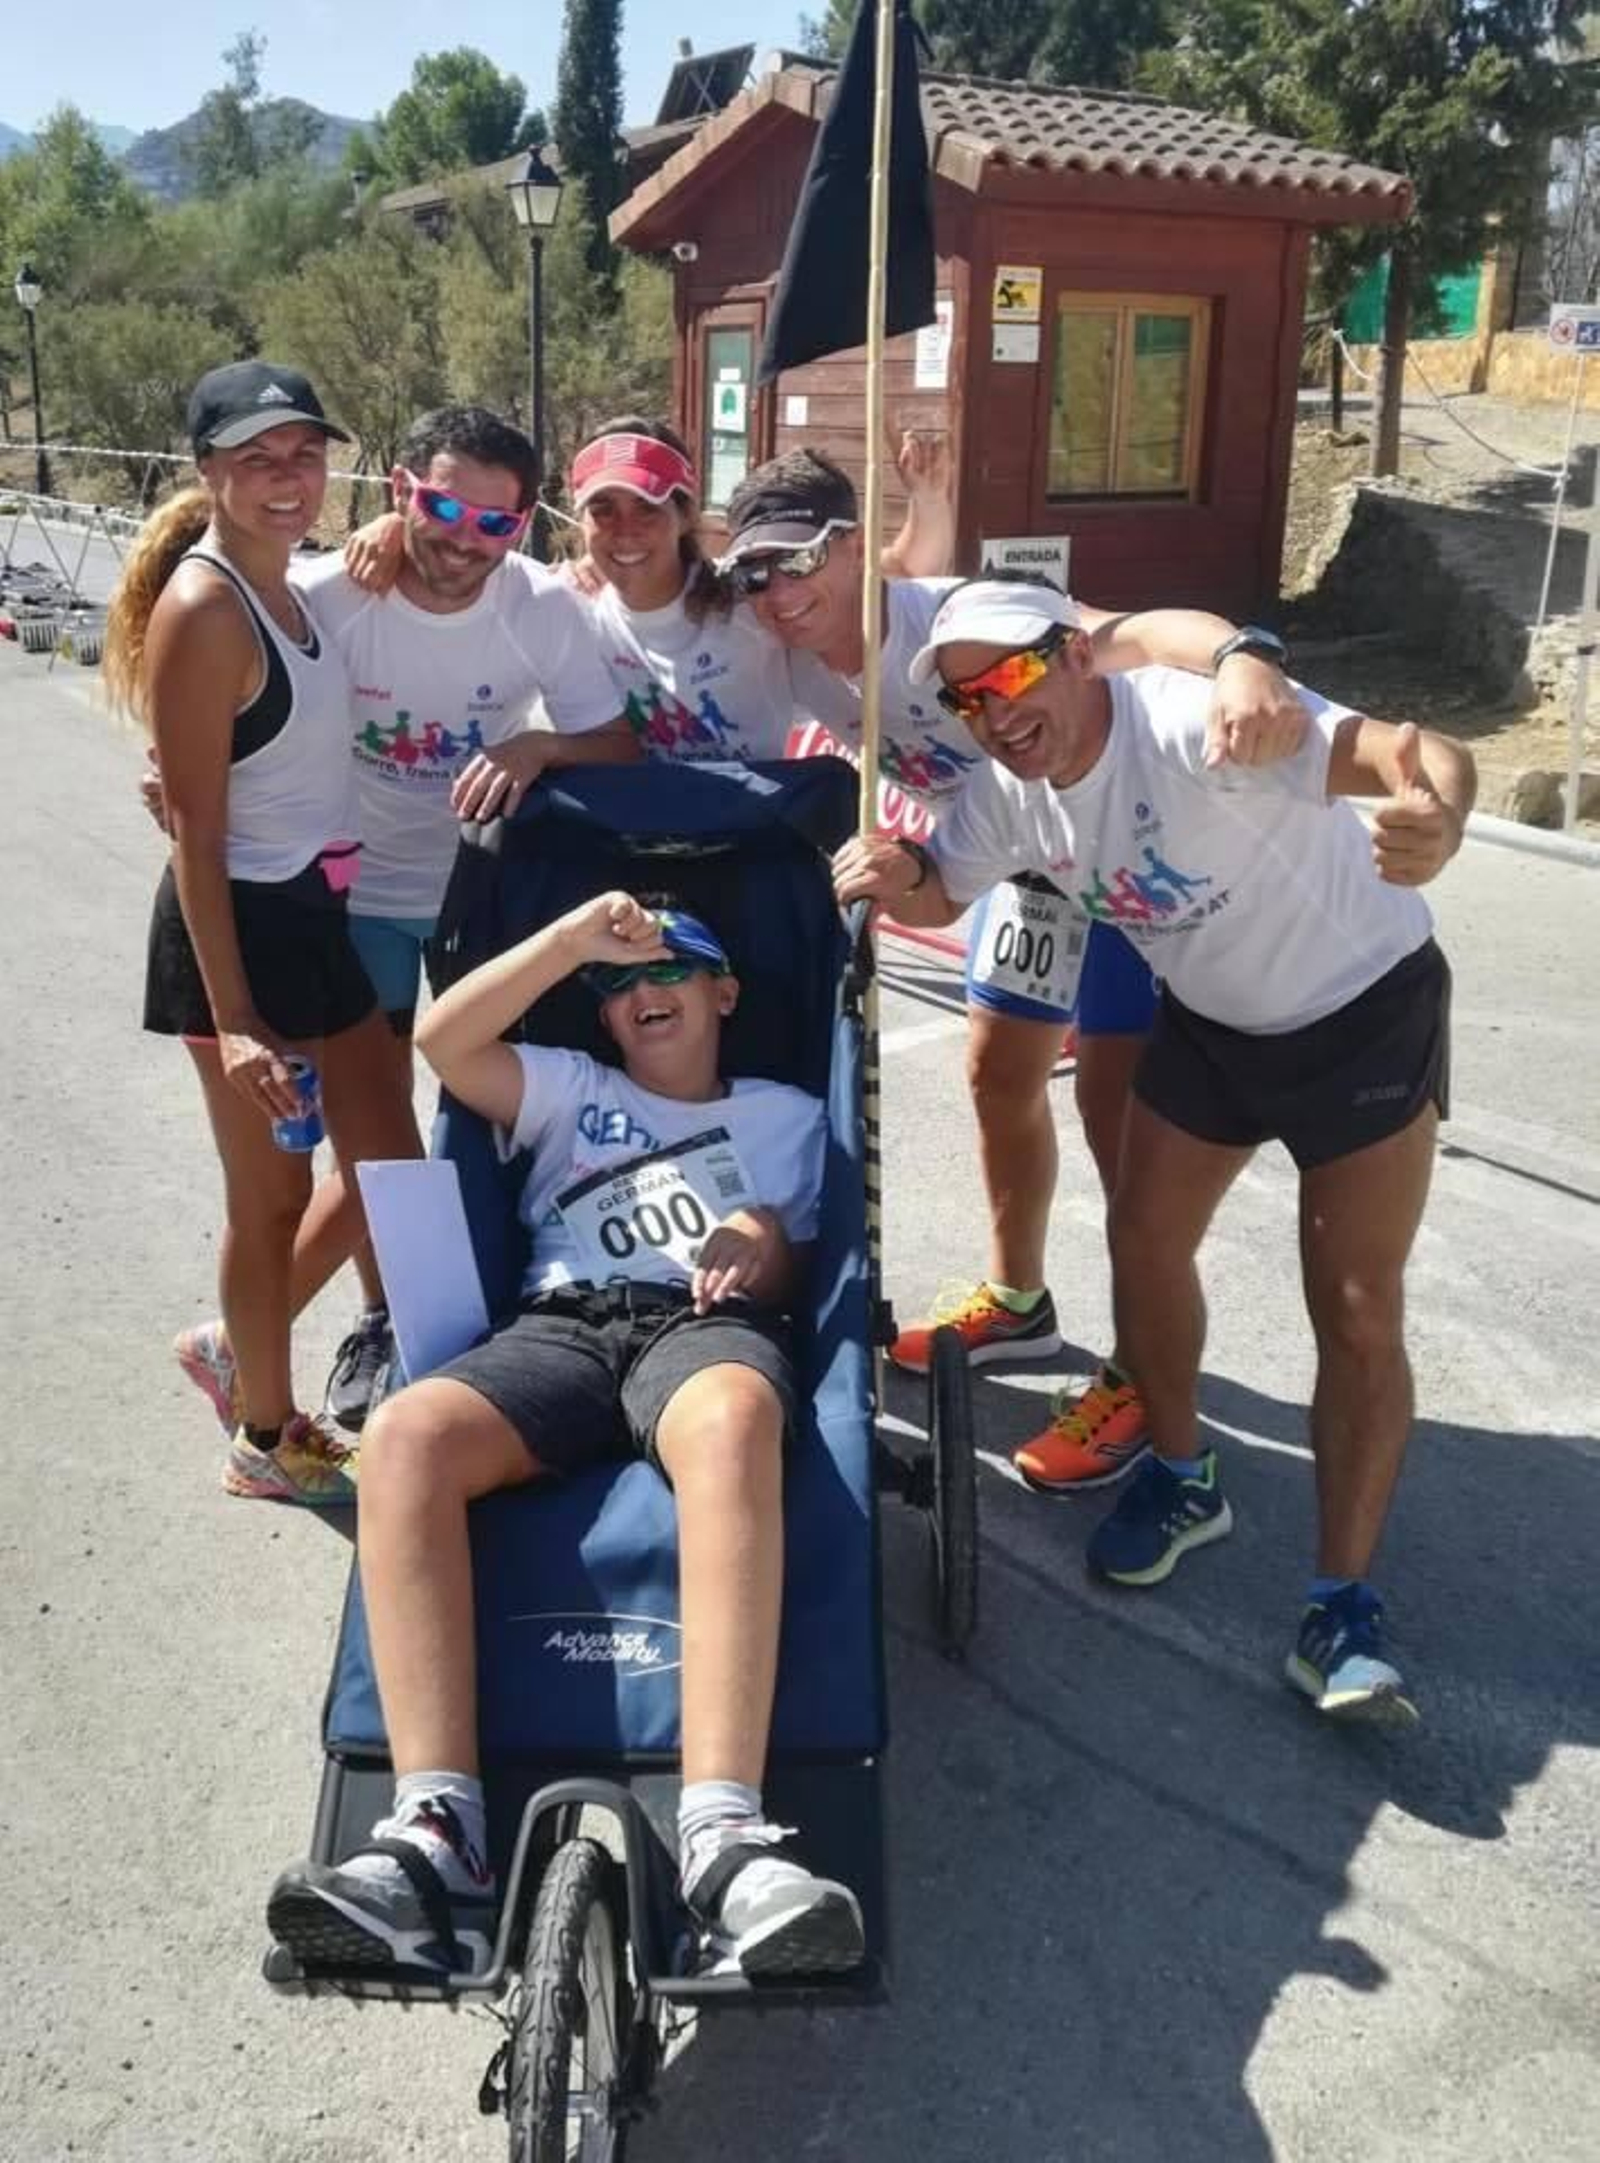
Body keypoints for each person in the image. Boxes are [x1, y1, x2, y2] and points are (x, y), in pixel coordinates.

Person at [833, 578, 1475, 1718]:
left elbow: (1419, 753)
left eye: (1016, 674)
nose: (995, 711)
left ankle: (1343, 1609)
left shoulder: (1192, 721)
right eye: (967, 700)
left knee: (1358, 1304)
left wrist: (1439, 816)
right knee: (1140, 1239)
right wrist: (898, 873)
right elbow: (940, 885)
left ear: (1079, 655)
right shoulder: (1006, 794)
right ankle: (1184, 1477)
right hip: (1214, 1028)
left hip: (1362, 1008)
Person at [265, 894, 865, 1979]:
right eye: (618, 985)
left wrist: (758, 1236)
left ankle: (723, 1836)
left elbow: (802, 1275)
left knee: (733, 1424)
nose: (641, 992)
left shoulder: (785, 1113)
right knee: (401, 1435)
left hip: (703, 1326)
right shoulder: (571, 1090)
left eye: (668, 971)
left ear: (724, 992)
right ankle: (436, 1836)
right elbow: (446, 1044)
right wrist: (570, 944)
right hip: (563, 1325)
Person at [720, 452, 1307, 1494]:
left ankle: (1140, 1371)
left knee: (1116, 1121)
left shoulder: (950, 616)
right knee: (996, 1077)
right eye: (751, 574)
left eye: (798, 562)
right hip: (1011, 863)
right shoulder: (799, 653)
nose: (775, 594)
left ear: (851, 547)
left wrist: (1240, 656)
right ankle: (1021, 1301)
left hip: (1113, 847)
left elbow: (1120, 634)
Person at [149, 405, 633, 1437]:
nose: (464, 541)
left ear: (525, 524)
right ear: (403, 488)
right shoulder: (326, 591)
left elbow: (613, 741)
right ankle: (371, 1318)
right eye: (444, 507)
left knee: (460, 1131)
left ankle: (257, 1339)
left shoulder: (539, 608)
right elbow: (212, 704)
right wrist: (180, 793)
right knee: (376, 1160)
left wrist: (536, 751)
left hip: (469, 903)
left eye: (494, 524)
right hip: (344, 906)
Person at [104, 360, 423, 1504]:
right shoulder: (203, 608)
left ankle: (241, 1346)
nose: (288, 478)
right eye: (257, 460)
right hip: (233, 941)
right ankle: (265, 1436)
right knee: (273, 1197)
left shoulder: (292, 581)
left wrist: (392, 526)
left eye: (303, 454)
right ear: (208, 474)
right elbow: (194, 828)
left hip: (309, 916)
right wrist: (234, 1023)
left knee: (391, 1159)